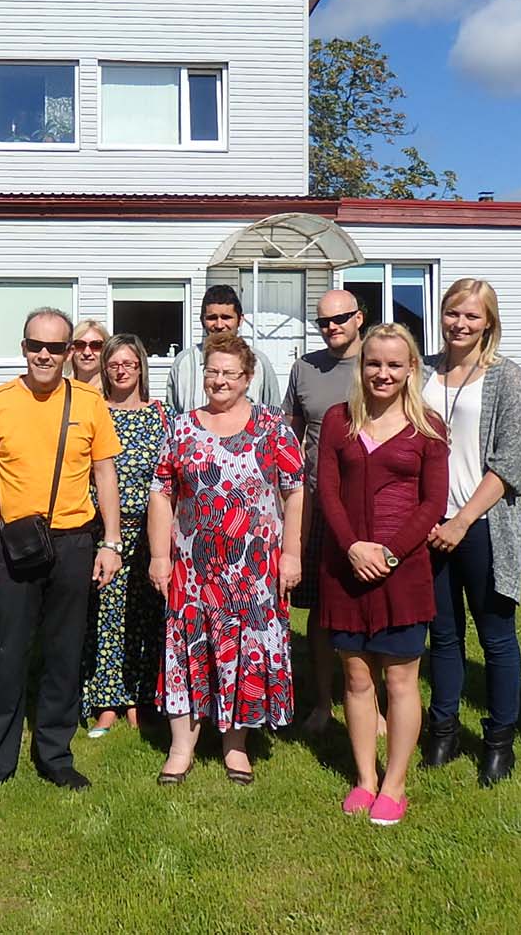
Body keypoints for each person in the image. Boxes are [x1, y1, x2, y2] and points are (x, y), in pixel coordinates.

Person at [0, 308, 124, 805]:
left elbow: (105, 474)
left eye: (56, 347)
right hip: (15, 544)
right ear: (24, 348)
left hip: (74, 542)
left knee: (63, 653)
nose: (45, 356)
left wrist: (111, 542)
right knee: (8, 654)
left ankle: (55, 755)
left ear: (70, 351)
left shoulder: (89, 402)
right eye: (37, 346)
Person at [148, 334, 303, 785]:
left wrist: (291, 553)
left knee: (246, 652)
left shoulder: (272, 427)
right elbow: (161, 493)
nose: (219, 380)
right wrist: (159, 556)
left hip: (254, 570)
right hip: (193, 569)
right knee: (186, 650)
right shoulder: (181, 428)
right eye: (212, 371)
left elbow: (294, 491)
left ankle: (236, 746)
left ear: (248, 377)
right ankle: (181, 747)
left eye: (229, 373)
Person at [318, 324, 448, 826]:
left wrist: (390, 554)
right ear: (361, 365)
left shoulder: (428, 427)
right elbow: (328, 491)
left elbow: (433, 502)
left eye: (394, 364)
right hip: (346, 566)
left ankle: (394, 785)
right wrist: (353, 547)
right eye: (374, 363)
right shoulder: (339, 420)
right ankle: (364, 779)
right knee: (356, 677)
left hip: (403, 570)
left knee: (400, 679)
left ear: (411, 368)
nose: (383, 373)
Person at [419, 279, 521, 786]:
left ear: (488, 323)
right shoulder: (423, 372)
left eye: (471, 316)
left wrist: (461, 521)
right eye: (453, 313)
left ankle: (499, 742)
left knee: (496, 638)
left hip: (482, 525)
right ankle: (442, 731)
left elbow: (510, 462)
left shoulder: (506, 377)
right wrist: (429, 519)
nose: (460, 324)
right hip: (429, 526)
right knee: (443, 636)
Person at [283, 288, 364, 734]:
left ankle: (371, 700)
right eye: (323, 322)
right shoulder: (305, 368)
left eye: (340, 319)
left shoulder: (378, 363)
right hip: (315, 502)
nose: (332, 327)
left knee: (365, 607)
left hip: (365, 506)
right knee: (317, 609)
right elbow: (289, 435)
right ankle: (322, 702)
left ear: (359, 318)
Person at [83, 334, 170, 737]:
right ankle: (105, 702)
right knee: (104, 618)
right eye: (114, 364)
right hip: (105, 533)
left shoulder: (161, 415)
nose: (121, 371)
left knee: (145, 617)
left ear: (141, 368)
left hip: (151, 534)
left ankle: (139, 697)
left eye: (129, 364)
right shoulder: (94, 412)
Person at [165, 285, 281, 413]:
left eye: (226, 317)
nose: (219, 325)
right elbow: (172, 417)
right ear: (202, 320)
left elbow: (274, 414)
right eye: (212, 318)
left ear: (240, 320)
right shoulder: (184, 363)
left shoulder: (259, 363)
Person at [66, 318, 108, 391]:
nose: (87, 353)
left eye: (96, 345)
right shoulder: (62, 388)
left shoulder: (114, 390)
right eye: (80, 345)